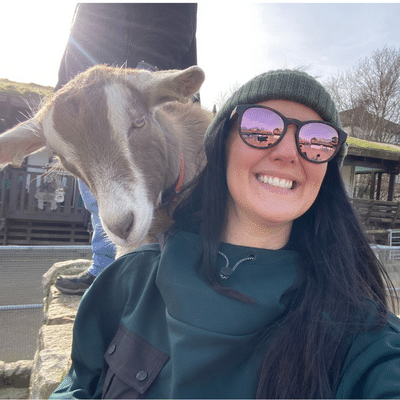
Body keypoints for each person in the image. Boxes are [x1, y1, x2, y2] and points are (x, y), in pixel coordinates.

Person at [50, 69, 400, 399]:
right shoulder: (130, 280)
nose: (287, 152)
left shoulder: (361, 334)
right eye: (260, 127)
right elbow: (80, 381)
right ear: (221, 145)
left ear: (326, 171)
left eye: (317, 140)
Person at [54, 3, 198, 294]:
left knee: (176, 192)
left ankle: (172, 279)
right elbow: (83, 29)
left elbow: (176, 16)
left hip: (139, 87)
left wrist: (148, 75)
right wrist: (62, 91)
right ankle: (106, 270)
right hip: (84, 93)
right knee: (98, 196)